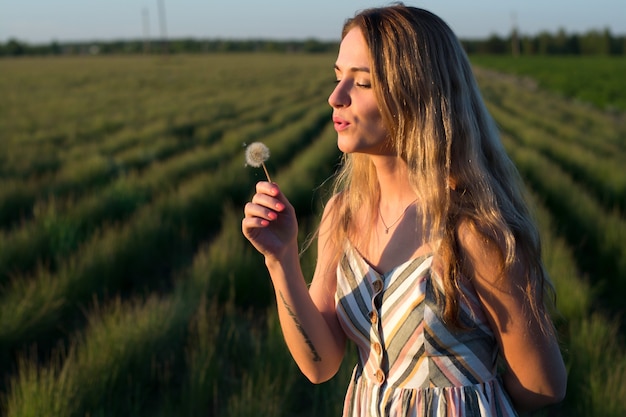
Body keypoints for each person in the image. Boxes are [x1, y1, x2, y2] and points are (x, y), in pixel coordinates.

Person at [242, 4, 567, 416]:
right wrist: (280, 259)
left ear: (417, 93)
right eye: (338, 77)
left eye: (361, 82)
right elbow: (320, 364)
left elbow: (542, 384)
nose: (335, 97)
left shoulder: (469, 229)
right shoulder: (342, 215)